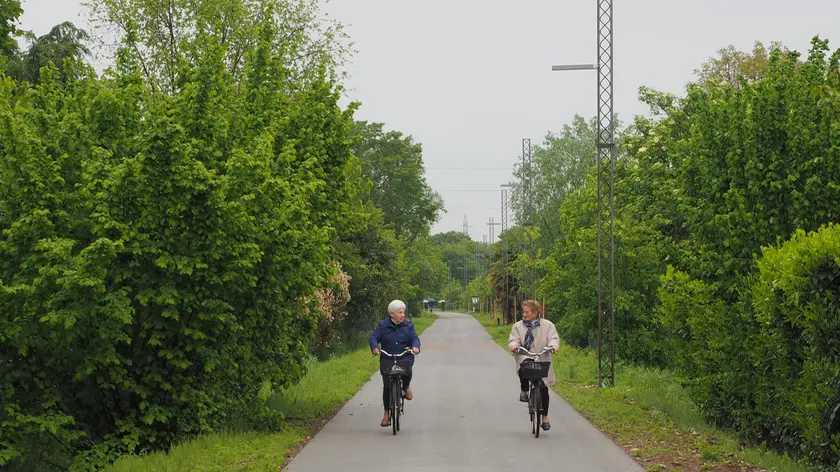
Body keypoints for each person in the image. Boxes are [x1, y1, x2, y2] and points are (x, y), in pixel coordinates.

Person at [507, 299, 559, 431]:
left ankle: (544, 417)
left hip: (542, 355)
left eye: (527, 312)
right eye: (523, 312)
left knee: (543, 387)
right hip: (525, 354)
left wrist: (553, 346)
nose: (524, 314)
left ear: (536, 312)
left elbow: (553, 337)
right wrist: (514, 346)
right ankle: (524, 390)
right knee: (525, 367)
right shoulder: (518, 326)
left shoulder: (547, 325)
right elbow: (514, 339)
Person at [369, 299, 421, 427]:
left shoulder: (408, 325)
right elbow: (374, 337)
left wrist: (415, 347)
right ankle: (386, 413)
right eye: (400, 312)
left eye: (403, 312)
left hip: (404, 356)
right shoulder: (383, 325)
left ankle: (405, 387)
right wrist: (375, 348)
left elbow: (415, 338)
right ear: (392, 314)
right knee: (387, 386)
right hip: (388, 357)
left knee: (407, 370)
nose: (403, 315)